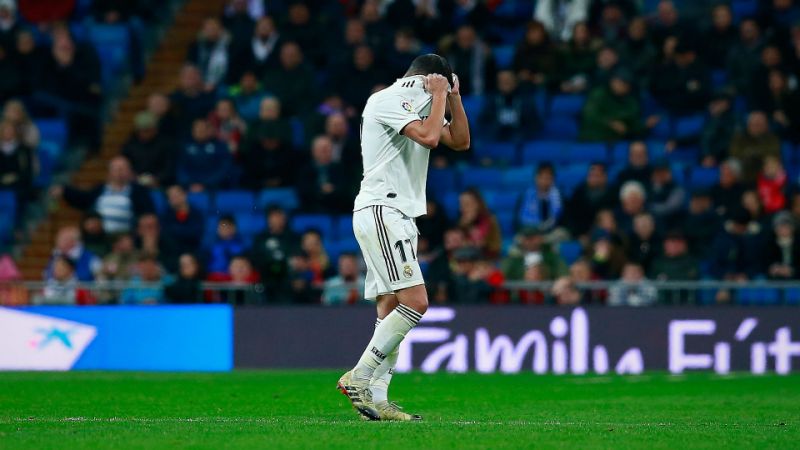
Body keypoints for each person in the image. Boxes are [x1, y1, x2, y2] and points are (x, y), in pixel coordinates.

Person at [339, 54, 469, 422]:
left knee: (388, 306)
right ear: (427, 79)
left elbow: (459, 141)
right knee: (416, 301)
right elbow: (430, 138)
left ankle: (377, 400)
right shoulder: (388, 98)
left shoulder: (422, 103)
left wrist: (453, 99)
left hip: (398, 215)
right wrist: (440, 94)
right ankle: (360, 377)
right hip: (383, 209)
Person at [50, 156, 155, 234]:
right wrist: (65, 191)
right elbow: (84, 199)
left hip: (125, 235)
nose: (119, 172)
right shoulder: (100, 189)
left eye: (122, 168)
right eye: (116, 168)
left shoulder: (137, 191)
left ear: (129, 171)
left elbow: (147, 213)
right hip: (99, 234)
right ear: (110, 172)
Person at [479, 70, 540, 142]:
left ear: (515, 82)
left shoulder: (526, 101)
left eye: (507, 81)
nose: (505, 84)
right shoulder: (491, 101)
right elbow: (482, 123)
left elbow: (536, 125)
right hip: (496, 138)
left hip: (521, 139)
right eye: (502, 82)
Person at [176, 119, 236, 191]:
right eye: (197, 129)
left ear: (209, 131)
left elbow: (223, 169)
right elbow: (180, 168)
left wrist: (205, 184)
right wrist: (189, 183)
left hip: (214, 187)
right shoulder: (185, 146)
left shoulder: (220, 146)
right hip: (188, 187)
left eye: (202, 130)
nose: (199, 132)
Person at [296, 135, 351, 213]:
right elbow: (303, 191)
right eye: (322, 150)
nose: (325, 152)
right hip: (312, 209)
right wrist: (320, 189)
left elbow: (345, 189)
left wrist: (332, 190)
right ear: (314, 151)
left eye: (328, 149)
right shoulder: (305, 170)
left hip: (337, 207)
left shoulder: (340, 168)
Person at [122, 111, 176, 187]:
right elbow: (125, 163)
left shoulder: (166, 144)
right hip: (134, 183)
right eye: (141, 130)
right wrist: (134, 177)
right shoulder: (130, 144)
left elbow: (169, 167)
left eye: (146, 130)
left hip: (160, 184)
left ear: (154, 129)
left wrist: (157, 179)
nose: (143, 133)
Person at [563, 162, 616, 238]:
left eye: (597, 176)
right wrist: (579, 235)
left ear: (604, 177)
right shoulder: (579, 193)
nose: (593, 179)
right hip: (580, 234)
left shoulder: (612, 195)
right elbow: (570, 217)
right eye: (591, 175)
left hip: (605, 235)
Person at [729, 111, 781, 185]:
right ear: (748, 125)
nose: (756, 127)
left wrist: (752, 152)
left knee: (772, 162)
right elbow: (734, 152)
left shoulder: (772, 138)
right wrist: (751, 154)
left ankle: (769, 190)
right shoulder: (740, 137)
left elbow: (773, 152)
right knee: (732, 163)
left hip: (763, 165)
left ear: (765, 125)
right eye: (753, 124)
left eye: (759, 125)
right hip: (744, 165)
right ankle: (736, 189)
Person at [458, 188, 502, 259]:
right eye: (461, 204)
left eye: (467, 204)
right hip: (465, 260)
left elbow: (479, 244)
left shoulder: (488, 219)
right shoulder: (460, 221)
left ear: (478, 204)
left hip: (486, 260)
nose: (462, 208)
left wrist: (468, 225)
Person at [517, 164, 562, 232]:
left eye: (548, 178)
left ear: (553, 180)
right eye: (542, 178)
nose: (545, 181)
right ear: (536, 178)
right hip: (529, 232)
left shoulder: (560, 196)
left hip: (551, 234)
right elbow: (518, 221)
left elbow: (562, 221)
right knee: (518, 238)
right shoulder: (525, 195)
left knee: (561, 233)